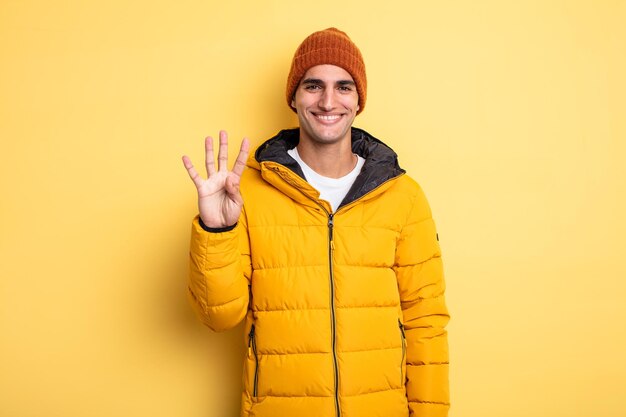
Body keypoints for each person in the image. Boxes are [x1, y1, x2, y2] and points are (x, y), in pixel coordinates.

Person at [182, 28, 450, 417]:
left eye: (343, 87)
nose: (328, 101)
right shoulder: (248, 194)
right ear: (293, 96)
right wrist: (216, 231)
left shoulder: (403, 196)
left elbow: (426, 322)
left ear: (359, 101)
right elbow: (218, 317)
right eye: (313, 86)